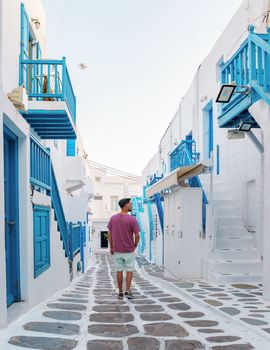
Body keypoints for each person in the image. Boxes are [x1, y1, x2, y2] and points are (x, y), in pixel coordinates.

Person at [108, 198, 140, 299]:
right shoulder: (132, 219)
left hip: (117, 250)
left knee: (119, 271)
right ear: (125, 205)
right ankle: (128, 290)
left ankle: (120, 291)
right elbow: (137, 235)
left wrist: (111, 247)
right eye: (130, 204)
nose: (131, 205)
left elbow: (109, 234)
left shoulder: (113, 218)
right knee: (129, 270)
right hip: (129, 250)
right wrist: (135, 245)